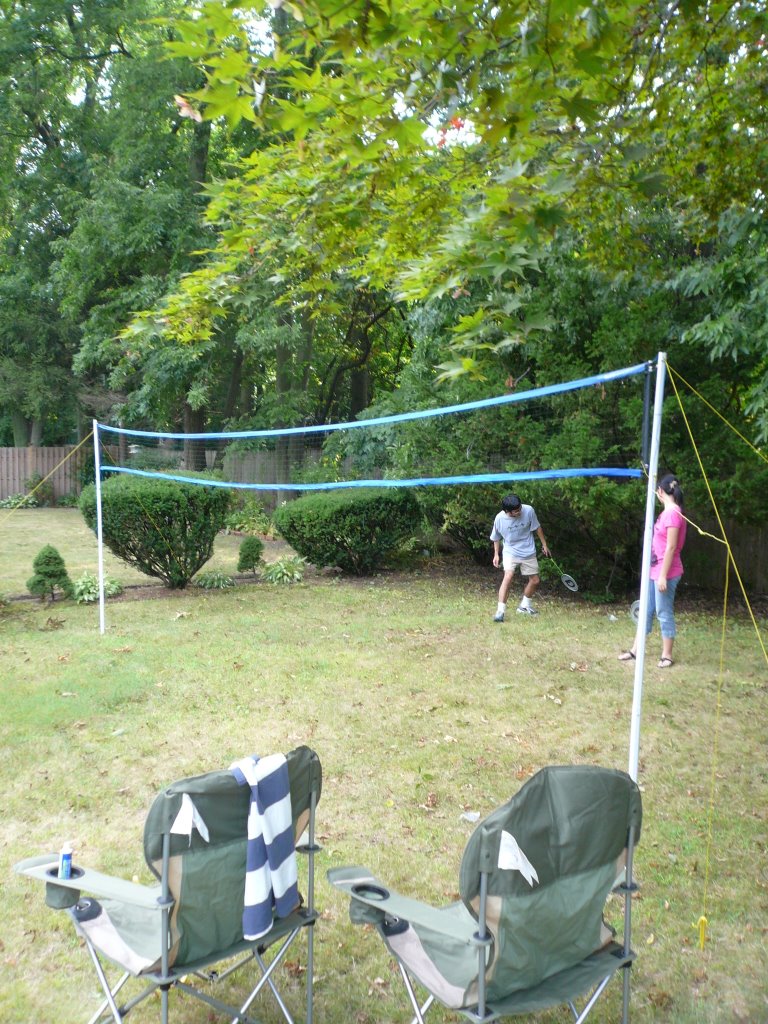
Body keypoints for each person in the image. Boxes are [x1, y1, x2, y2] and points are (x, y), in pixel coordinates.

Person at [618, 473, 687, 669]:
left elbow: (671, 547)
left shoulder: (673, 513)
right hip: (654, 570)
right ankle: (635, 650)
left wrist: (663, 576)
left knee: (663, 611)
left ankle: (667, 655)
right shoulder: (666, 513)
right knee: (646, 610)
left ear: (660, 492)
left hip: (666, 572)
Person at [490, 493, 551, 621]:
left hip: (528, 550)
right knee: (508, 576)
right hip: (510, 551)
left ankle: (524, 606)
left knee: (535, 580)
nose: (520, 512)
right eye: (516, 511)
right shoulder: (499, 518)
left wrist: (544, 545)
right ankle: (500, 612)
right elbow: (496, 537)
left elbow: (537, 527)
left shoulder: (528, 510)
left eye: (520, 508)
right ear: (508, 512)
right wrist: (496, 554)